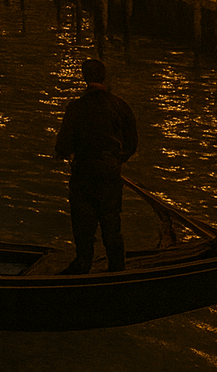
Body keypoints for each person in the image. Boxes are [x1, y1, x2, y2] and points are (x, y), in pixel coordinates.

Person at [53, 58, 137, 273]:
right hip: (109, 171)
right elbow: (131, 144)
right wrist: (116, 160)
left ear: (84, 78)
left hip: (84, 171)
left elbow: (63, 146)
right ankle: (117, 268)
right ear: (104, 77)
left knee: (83, 224)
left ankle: (83, 264)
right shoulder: (120, 106)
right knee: (111, 222)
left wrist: (63, 154)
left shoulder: (76, 108)